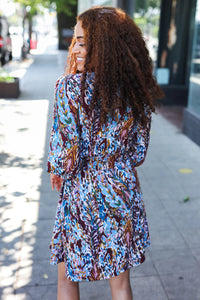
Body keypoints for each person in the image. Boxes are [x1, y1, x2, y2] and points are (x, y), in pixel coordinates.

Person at [47, 6, 163, 300]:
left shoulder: (68, 88)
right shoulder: (135, 90)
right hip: (121, 190)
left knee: (66, 279)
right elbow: (137, 153)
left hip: (82, 193)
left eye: (85, 41)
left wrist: (58, 168)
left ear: (105, 44)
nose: (77, 49)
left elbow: (68, 159)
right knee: (121, 285)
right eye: (76, 41)